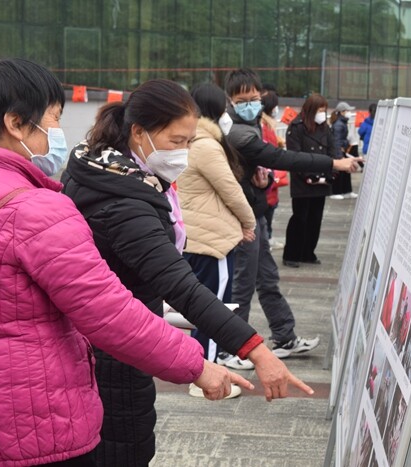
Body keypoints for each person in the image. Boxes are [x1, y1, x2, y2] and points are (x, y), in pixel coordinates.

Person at [0, 58, 255, 466]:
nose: (57, 132)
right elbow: (108, 313)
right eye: (53, 119)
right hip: (28, 421)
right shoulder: (35, 209)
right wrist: (197, 366)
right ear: (16, 124)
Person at [61, 78, 313, 465]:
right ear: (139, 132)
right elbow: (180, 286)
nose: (183, 152)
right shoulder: (124, 202)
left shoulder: (103, 167)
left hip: (114, 339)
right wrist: (257, 350)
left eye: (189, 141)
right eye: (176, 141)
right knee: (124, 448)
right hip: (116, 353)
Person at [222, 68, 361, 358]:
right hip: (242, 219)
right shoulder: (236, 132)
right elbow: (282, 158)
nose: (250, 104)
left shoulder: (252, 124)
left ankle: (284, 336)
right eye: (242, 100)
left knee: (267, 278)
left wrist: (263, 181)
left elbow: (256, 168)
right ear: (230, 100)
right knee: (242, 285)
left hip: (255, 212)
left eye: (254, 98)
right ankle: (230, 349)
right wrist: (333, 164)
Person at [176, 82, 257, 381]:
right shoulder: (206, 145)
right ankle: (206, 370)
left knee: (202, 303)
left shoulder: (191, 141)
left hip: (197, 235)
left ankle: (206, 361)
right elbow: (231, 191)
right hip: (212, 241)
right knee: (215, 306)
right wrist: (248, 222)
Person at [283, 93, 337, 267]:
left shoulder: (325, 128)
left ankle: (308, 253)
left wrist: (332, 171)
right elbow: (294, 155)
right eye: (319, 110)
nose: (322, 114)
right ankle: (292, 254)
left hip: (322, 181)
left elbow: (334, 149)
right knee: (300, 218)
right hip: (303, 182)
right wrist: (309, 175)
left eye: (324, 110)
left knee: (315, 219)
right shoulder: (296, 127)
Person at [260, 90, 288, 250]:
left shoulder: (266, 124)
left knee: (269, 210)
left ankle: (268, 238)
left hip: (270, 177)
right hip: (268, 177)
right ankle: (266, 240)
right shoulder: (265, 126)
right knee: (267, 211)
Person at [329, 101, 358, 200]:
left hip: (342, 150)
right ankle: (335, 192)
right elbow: (336, 141)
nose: (349, 113)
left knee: (346, 172)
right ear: (342, 112)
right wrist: (339, 155)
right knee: (339, 172)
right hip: (338, 151)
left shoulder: (342, 123)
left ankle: (346, 191)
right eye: (347, 111)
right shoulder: (339, 124)